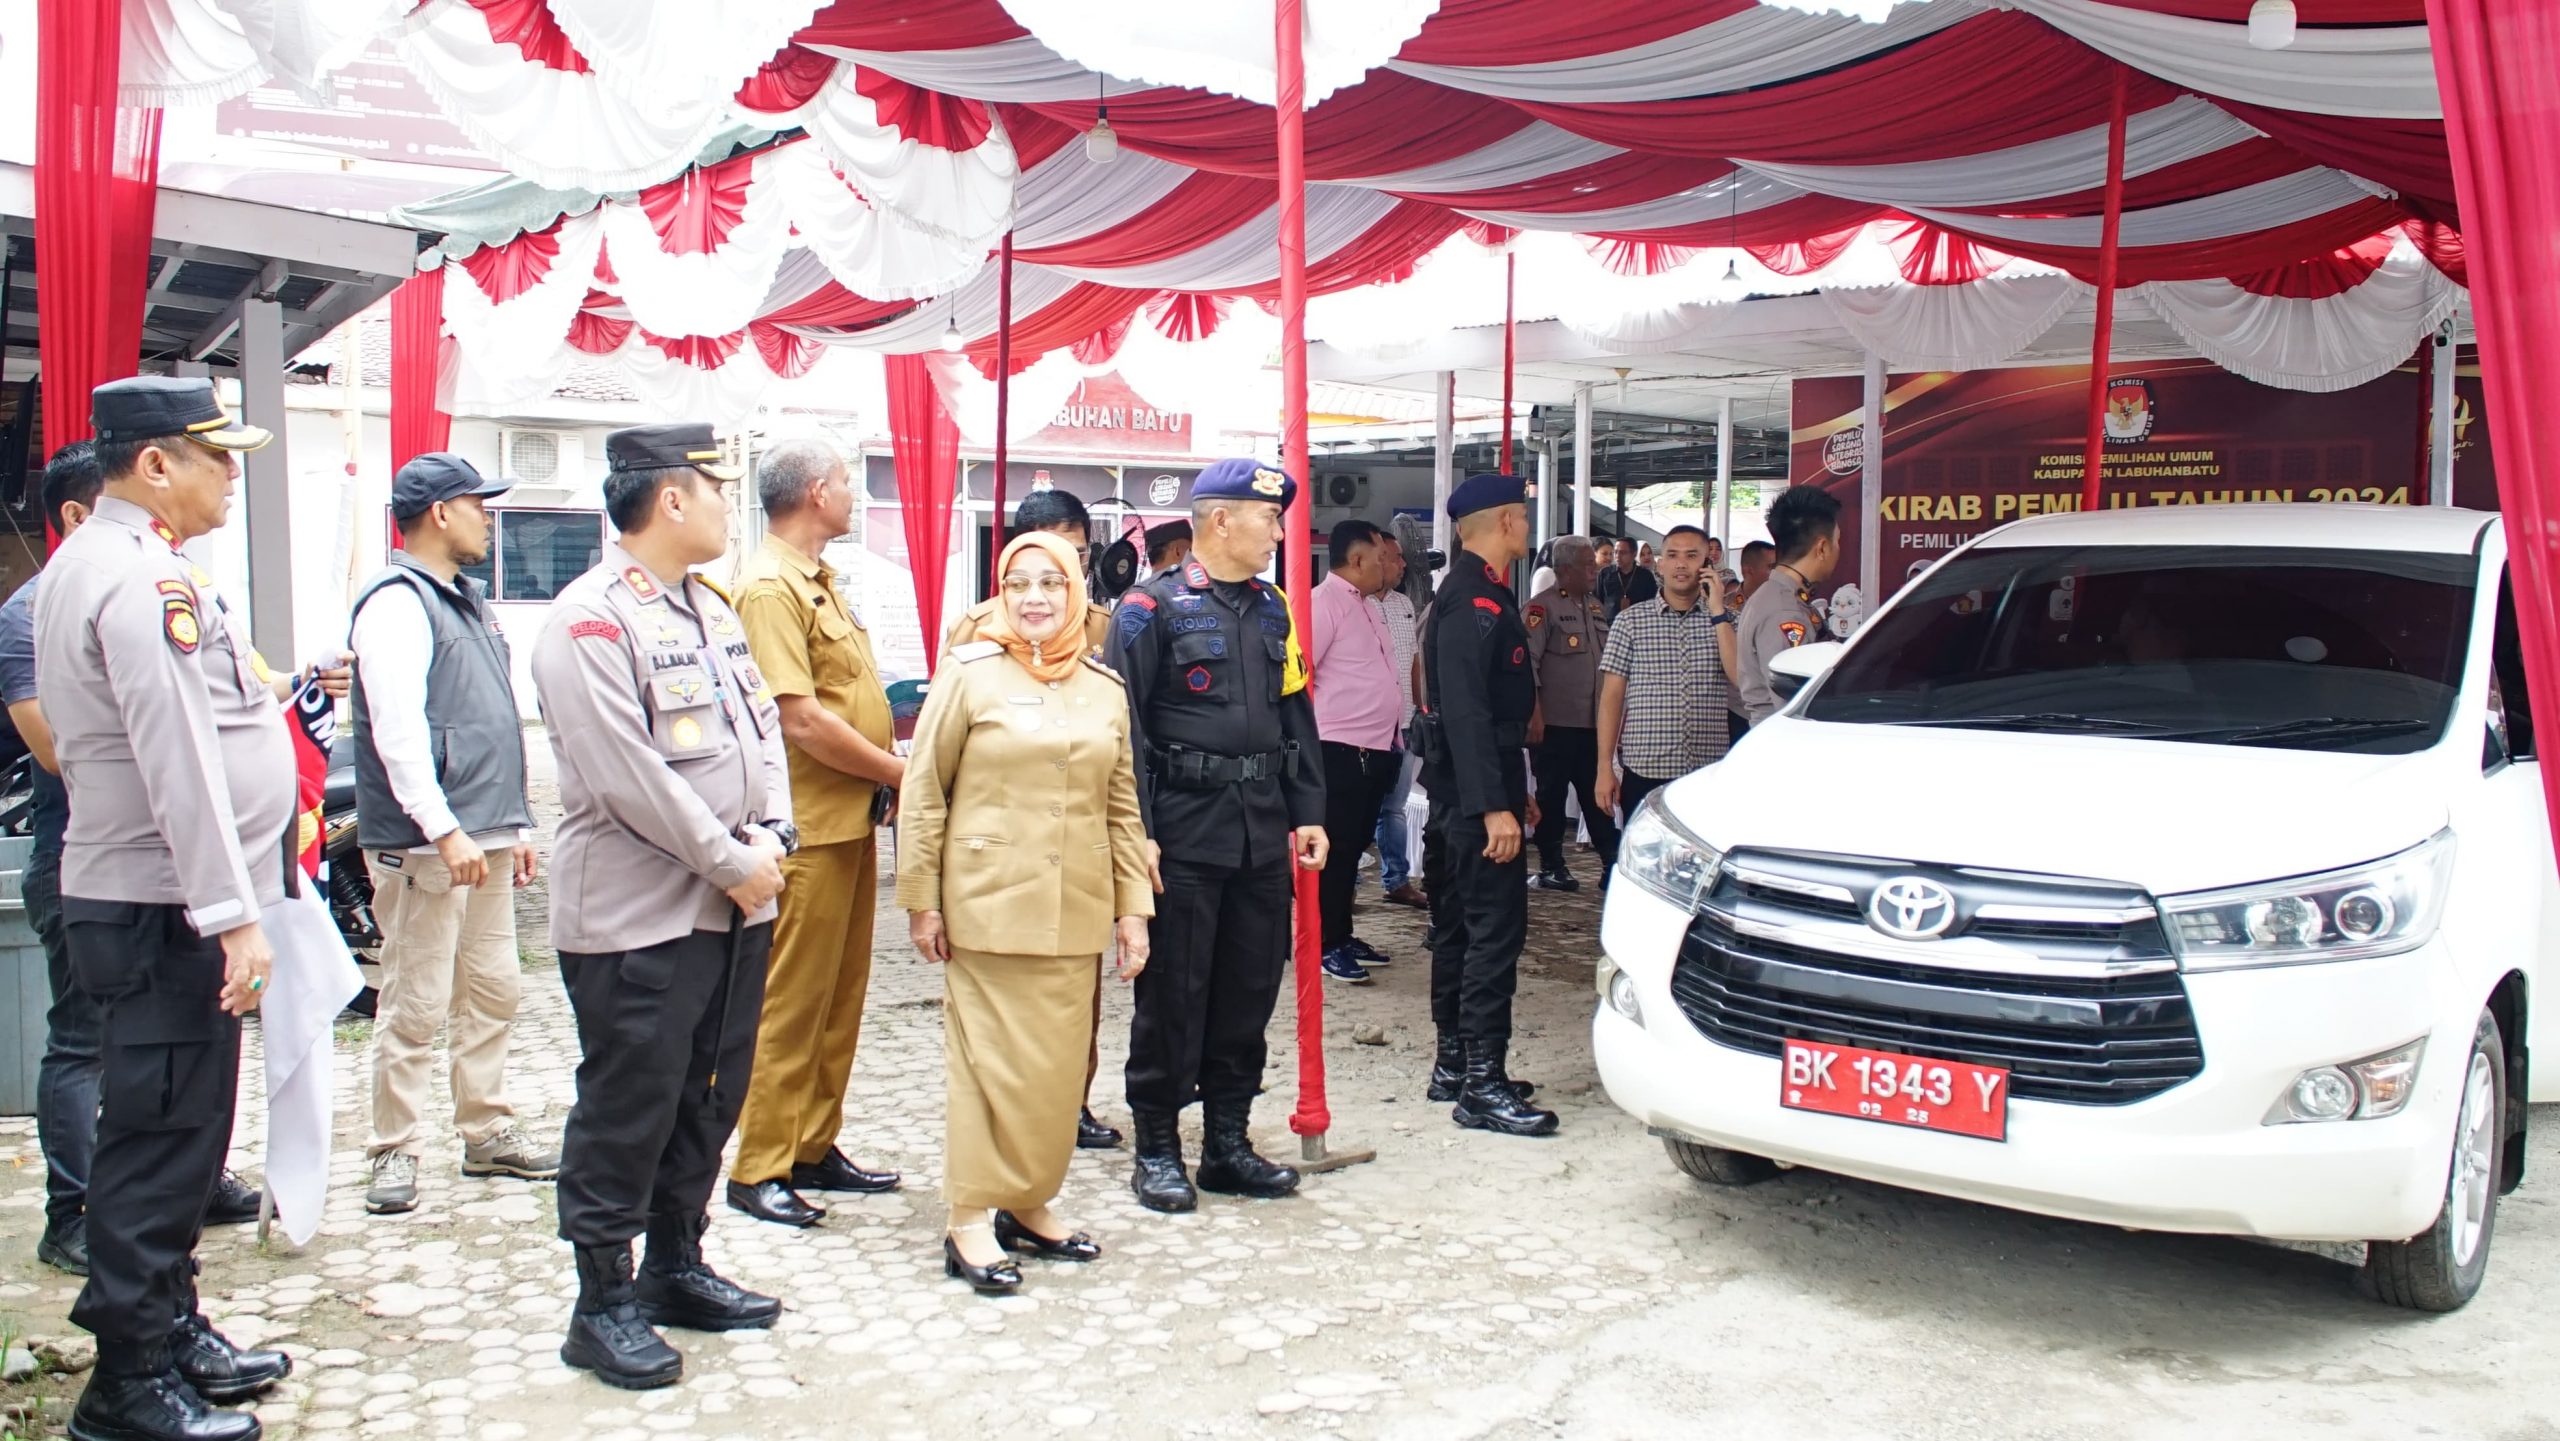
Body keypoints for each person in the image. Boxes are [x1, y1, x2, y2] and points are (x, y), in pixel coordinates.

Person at [38, 377, 297, 1441]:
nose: (231, 475)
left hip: (149, 894)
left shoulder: (106, 563)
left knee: (184, 1129)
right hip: (161, 901)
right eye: (214, 456)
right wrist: (228, 908)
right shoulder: (142, 579)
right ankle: (128, 1379)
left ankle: (170, 1323)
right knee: (158, 1138)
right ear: (155, 465)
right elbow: (176, 754)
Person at [530, 423, 793, 1391]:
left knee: (707, 1095)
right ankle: (601, 1301)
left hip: (732, 910)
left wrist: (775, 832)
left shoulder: (708, 610)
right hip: (641, 917)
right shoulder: (589, 620)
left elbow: (760, 735)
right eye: (716, 488)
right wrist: (731, 858)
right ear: (671, 500)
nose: (731, 505)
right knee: (627, 1106)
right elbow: (627, 776)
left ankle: (676, 1263)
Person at [898, 531, 1153, 1295]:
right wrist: (922, 898)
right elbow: (925, 788)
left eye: (1050, 582)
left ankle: (1030, 1199)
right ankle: (970, 1215)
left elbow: (1121, 809)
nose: (1034, 598)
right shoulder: (970, 676)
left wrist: (1132, 910)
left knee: (1054, 1073)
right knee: (987, 1069)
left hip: (1073, 909)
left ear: (1076, 591)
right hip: (985, 905)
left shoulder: (1105, 689)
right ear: (999, 595)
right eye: (1018, 584)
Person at [1106, 457, 1324, 1214]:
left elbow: (1296, 712)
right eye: (1268, 517)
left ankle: (1228, 1142)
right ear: (1222, 520)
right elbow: (1123, 731)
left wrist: (1310, 810)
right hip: (1183, 828)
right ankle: (1159, 1147)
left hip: (1260, 828)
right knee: (1174, 992)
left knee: (1247, 990)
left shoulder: (1273, 609)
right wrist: (1136, 833)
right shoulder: (1147, 609)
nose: (1277, 531)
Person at [347, 453, 554, 1218]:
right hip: (430, 843)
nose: (487, 518)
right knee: (416, 996)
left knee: (493, 986)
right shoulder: (397, 604)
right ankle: (393, 1147)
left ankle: (487, 1128)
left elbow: (490, 718)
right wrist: (442, 829)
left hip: (484, 836)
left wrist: (514, 821)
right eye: (477, 504)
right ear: (439, 513)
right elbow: (400, 732)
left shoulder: (465, 600)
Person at [726, 440, 907, 1229]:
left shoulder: (820, 578)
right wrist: (901, 773)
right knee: (791, 1001)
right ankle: (758, 1161)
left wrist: (877, 778)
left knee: (840, 997)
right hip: (807, 827)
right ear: (810, 492)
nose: (853, 495)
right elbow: (796, 717)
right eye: (843, 482)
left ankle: (811, 1143)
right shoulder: (769, 586)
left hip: (849, 822)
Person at [946, 488, 1118, 1150]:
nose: (1069, 571)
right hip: (1001, 843)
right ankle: (1000, 1116)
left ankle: (1069, 1101)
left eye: (1078, 555)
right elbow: (949, 751)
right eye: (1056, 556)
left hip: (1076, 836)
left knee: (1078, 990)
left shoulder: (1102, 627)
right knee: (1001, 996)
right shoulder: (976, 630)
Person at [1417, 473, 1557, 1138]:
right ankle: (1481, 1082)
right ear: (1504, 522)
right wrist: (1493, 806)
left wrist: (1510, 790)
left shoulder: (1475, 593)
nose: (1528, 529)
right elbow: (1469, 712)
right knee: (1491, 937)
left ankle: (1456, 1063)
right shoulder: (1475, 600)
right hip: (1473, 803)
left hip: (1466, 791)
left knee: (1457, 934)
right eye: (1523, 518)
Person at [3, 444, 105, 1279]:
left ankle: (188, 1179)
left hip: (145, 853)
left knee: (158, 1036)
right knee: (80, 1037)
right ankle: (69, 1213)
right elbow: (52, 746)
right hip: (73, 855)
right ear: (76, 516)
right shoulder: (29, 613)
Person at [1595, 526, 1743, 828]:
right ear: (1660, 564)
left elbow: (1740, 677)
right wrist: (1604, 767)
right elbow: (1611, 697)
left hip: (1707, 771)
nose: (1680, 564)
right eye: (1672, 555)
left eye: (1692, 556)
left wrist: (1717, 611)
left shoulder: (1728, 622)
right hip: (1646, 769)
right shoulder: (1630, 622)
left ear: (1707, 565)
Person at [1310, 519, 1404, 984]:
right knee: (1334, 852)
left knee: (1351, 854)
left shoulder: (1369, 607)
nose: (1388, 565)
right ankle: (1323, 943)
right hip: (1340, 750)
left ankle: (1342, 934)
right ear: (1358, 558)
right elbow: (1301, 678)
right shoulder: (1323, 603)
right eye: (1381, 556)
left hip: (1377, 748)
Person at [1521, 536, 1615, 892]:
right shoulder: (1539, 610)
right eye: (1587, 565)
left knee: (1598, 796)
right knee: (1552, 796)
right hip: (1554, 725)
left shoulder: (1593, 608)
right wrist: (1534, 714)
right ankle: (1551, 865)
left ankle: (1611, 863)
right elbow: (1526, 666)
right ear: (1564, 571)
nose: (1595, 571)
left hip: (1592, 723)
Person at [1737, 488, 1844, 727]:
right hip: (1786, 745)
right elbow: (1794, 704)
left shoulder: (1777, 597)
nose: (1839, 549)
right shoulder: (1784, 612)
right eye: (1837, 541)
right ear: (1822, 548)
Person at [1369, 536, 1428, 911]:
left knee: (1394, 806)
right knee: (1357, 806)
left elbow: (1413, 660)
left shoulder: (1405, 604)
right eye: (1396, 558)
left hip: (1404, 722)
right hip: (1366, 727)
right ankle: (1347, 873)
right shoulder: (1352, 605)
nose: (1403, 565)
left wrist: (1421, 707)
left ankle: (1396, 880)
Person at [1731, 541, 1777, 740]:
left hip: (1772, 710)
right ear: (1747, 571)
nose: (1776, 574)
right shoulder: (1723, 607)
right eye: (1770, 567)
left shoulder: (1785, 607)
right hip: (1733, 709)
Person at [1595, 535, 1657, 620]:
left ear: (1634, 554)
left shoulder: (1646, 576)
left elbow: (1652, 605)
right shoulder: (1605, 574)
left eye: (1622, 553)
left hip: (1637, 626)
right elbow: (1597, 601)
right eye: (1616, 552)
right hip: (1609, 627)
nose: (1617, 556)